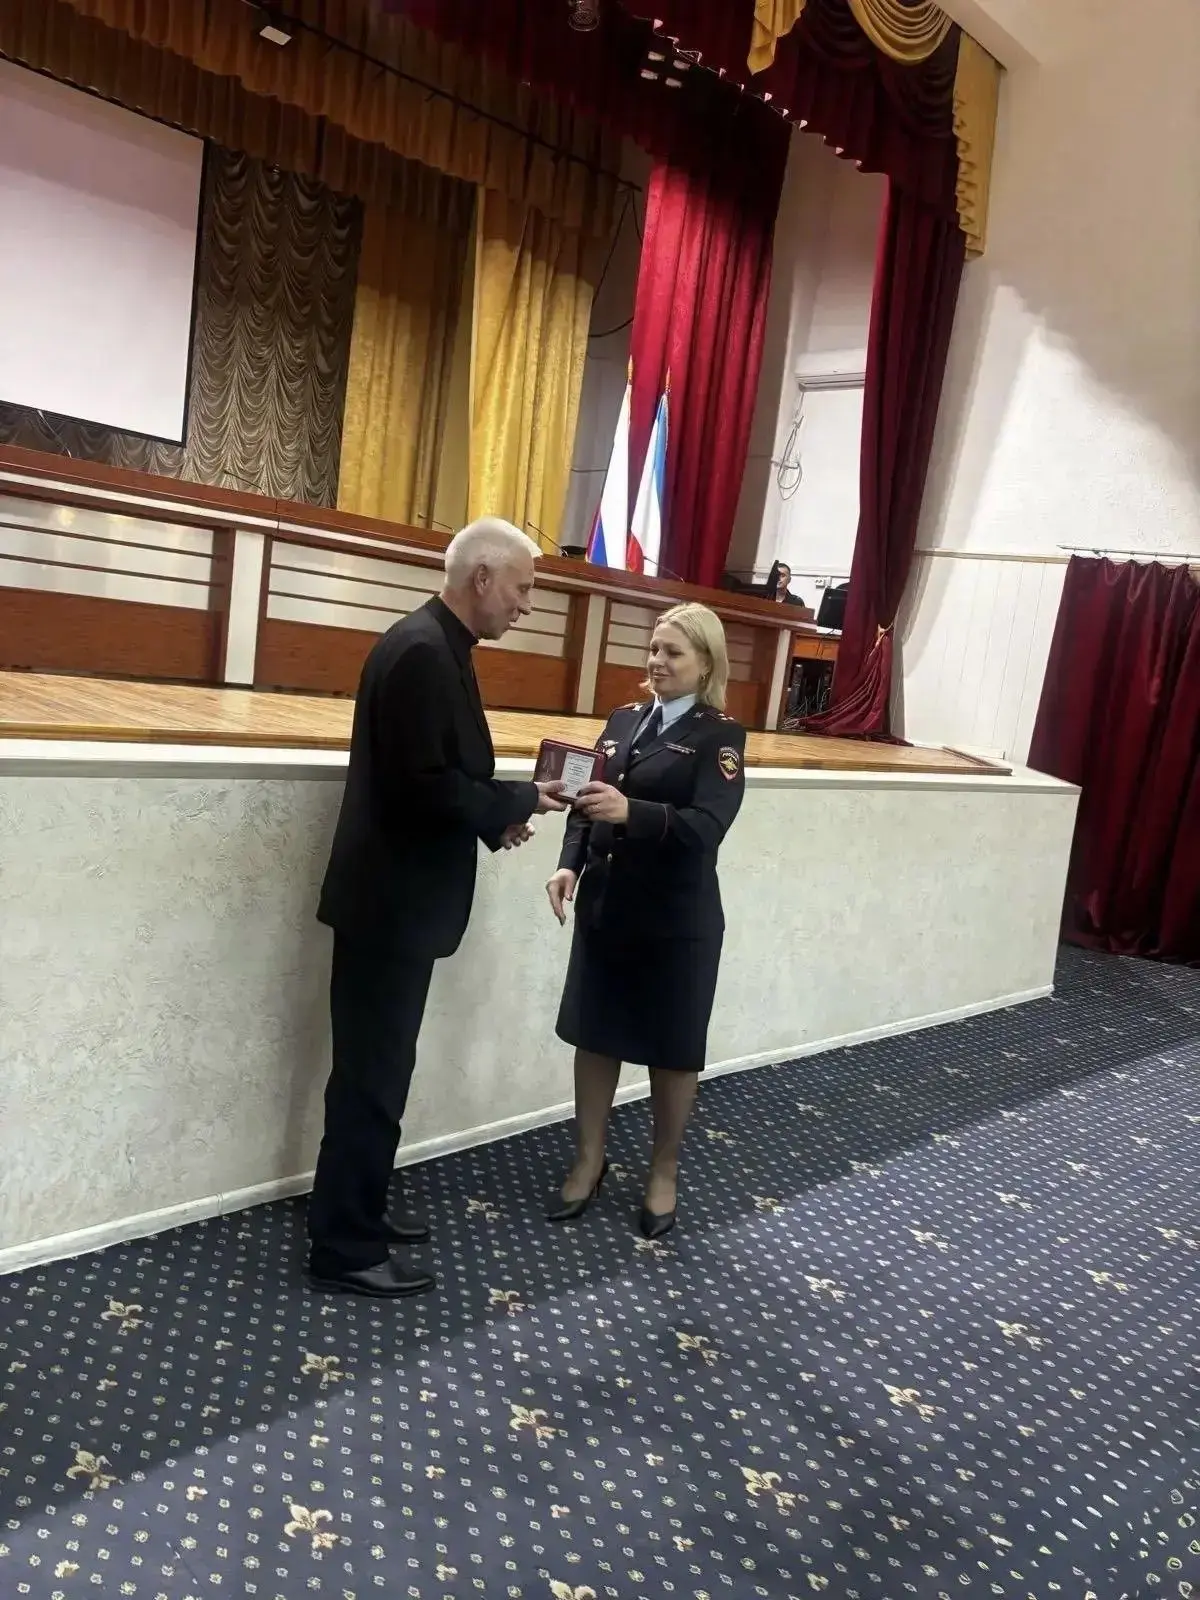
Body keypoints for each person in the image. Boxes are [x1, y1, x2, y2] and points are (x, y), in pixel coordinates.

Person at [308, 517, 568, 1298]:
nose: (526, 604)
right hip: (389, 906)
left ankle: (359, 1211)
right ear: (482, 577)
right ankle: (344, 1248)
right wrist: (514, 801)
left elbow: (440, 775)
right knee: (371, 1078)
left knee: (381, 1072)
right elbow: (423, 789)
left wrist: (500, 812)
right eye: (522, 587)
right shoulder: (423, 652)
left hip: (396, 902)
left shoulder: (437, 644)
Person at [544, 603, 747, 1240]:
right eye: (654, 648)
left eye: (673, 652)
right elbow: (586, 803)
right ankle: (589, 1160)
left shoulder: (720, 737)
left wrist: (633, 811)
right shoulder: (623, 719)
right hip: (607, 907)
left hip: (675, 918)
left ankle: (664, 1170)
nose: (657, 661)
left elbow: (706, 828)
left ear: (706, 664)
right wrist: (569, 863)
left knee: (672, 1048)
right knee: (595, 1035)